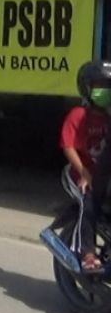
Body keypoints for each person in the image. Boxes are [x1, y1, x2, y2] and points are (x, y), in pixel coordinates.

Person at [60, 60, 111, 272]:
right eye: (100, 86)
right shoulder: (78, 115)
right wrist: (84, 172)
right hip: (78, 174)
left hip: (102, 175)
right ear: (87, 87)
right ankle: (87, 253)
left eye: (108, 86)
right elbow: (68, 146)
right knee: (88, 202)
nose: (105, 91)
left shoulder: (108, 118)